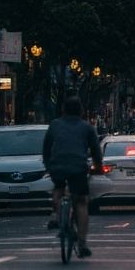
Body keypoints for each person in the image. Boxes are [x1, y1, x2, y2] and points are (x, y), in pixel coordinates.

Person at [43, 95, 103, 258]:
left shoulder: (54, 125)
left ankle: (57, 216)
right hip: (78, 167)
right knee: (81, 202)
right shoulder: (87, 128)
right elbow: (97, 152)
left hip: (58, 166)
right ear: (81, 111)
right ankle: (82, 243)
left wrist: (48, 166)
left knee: (58, 189)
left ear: (63, 110)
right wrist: (98, 168)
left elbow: (46, 148)